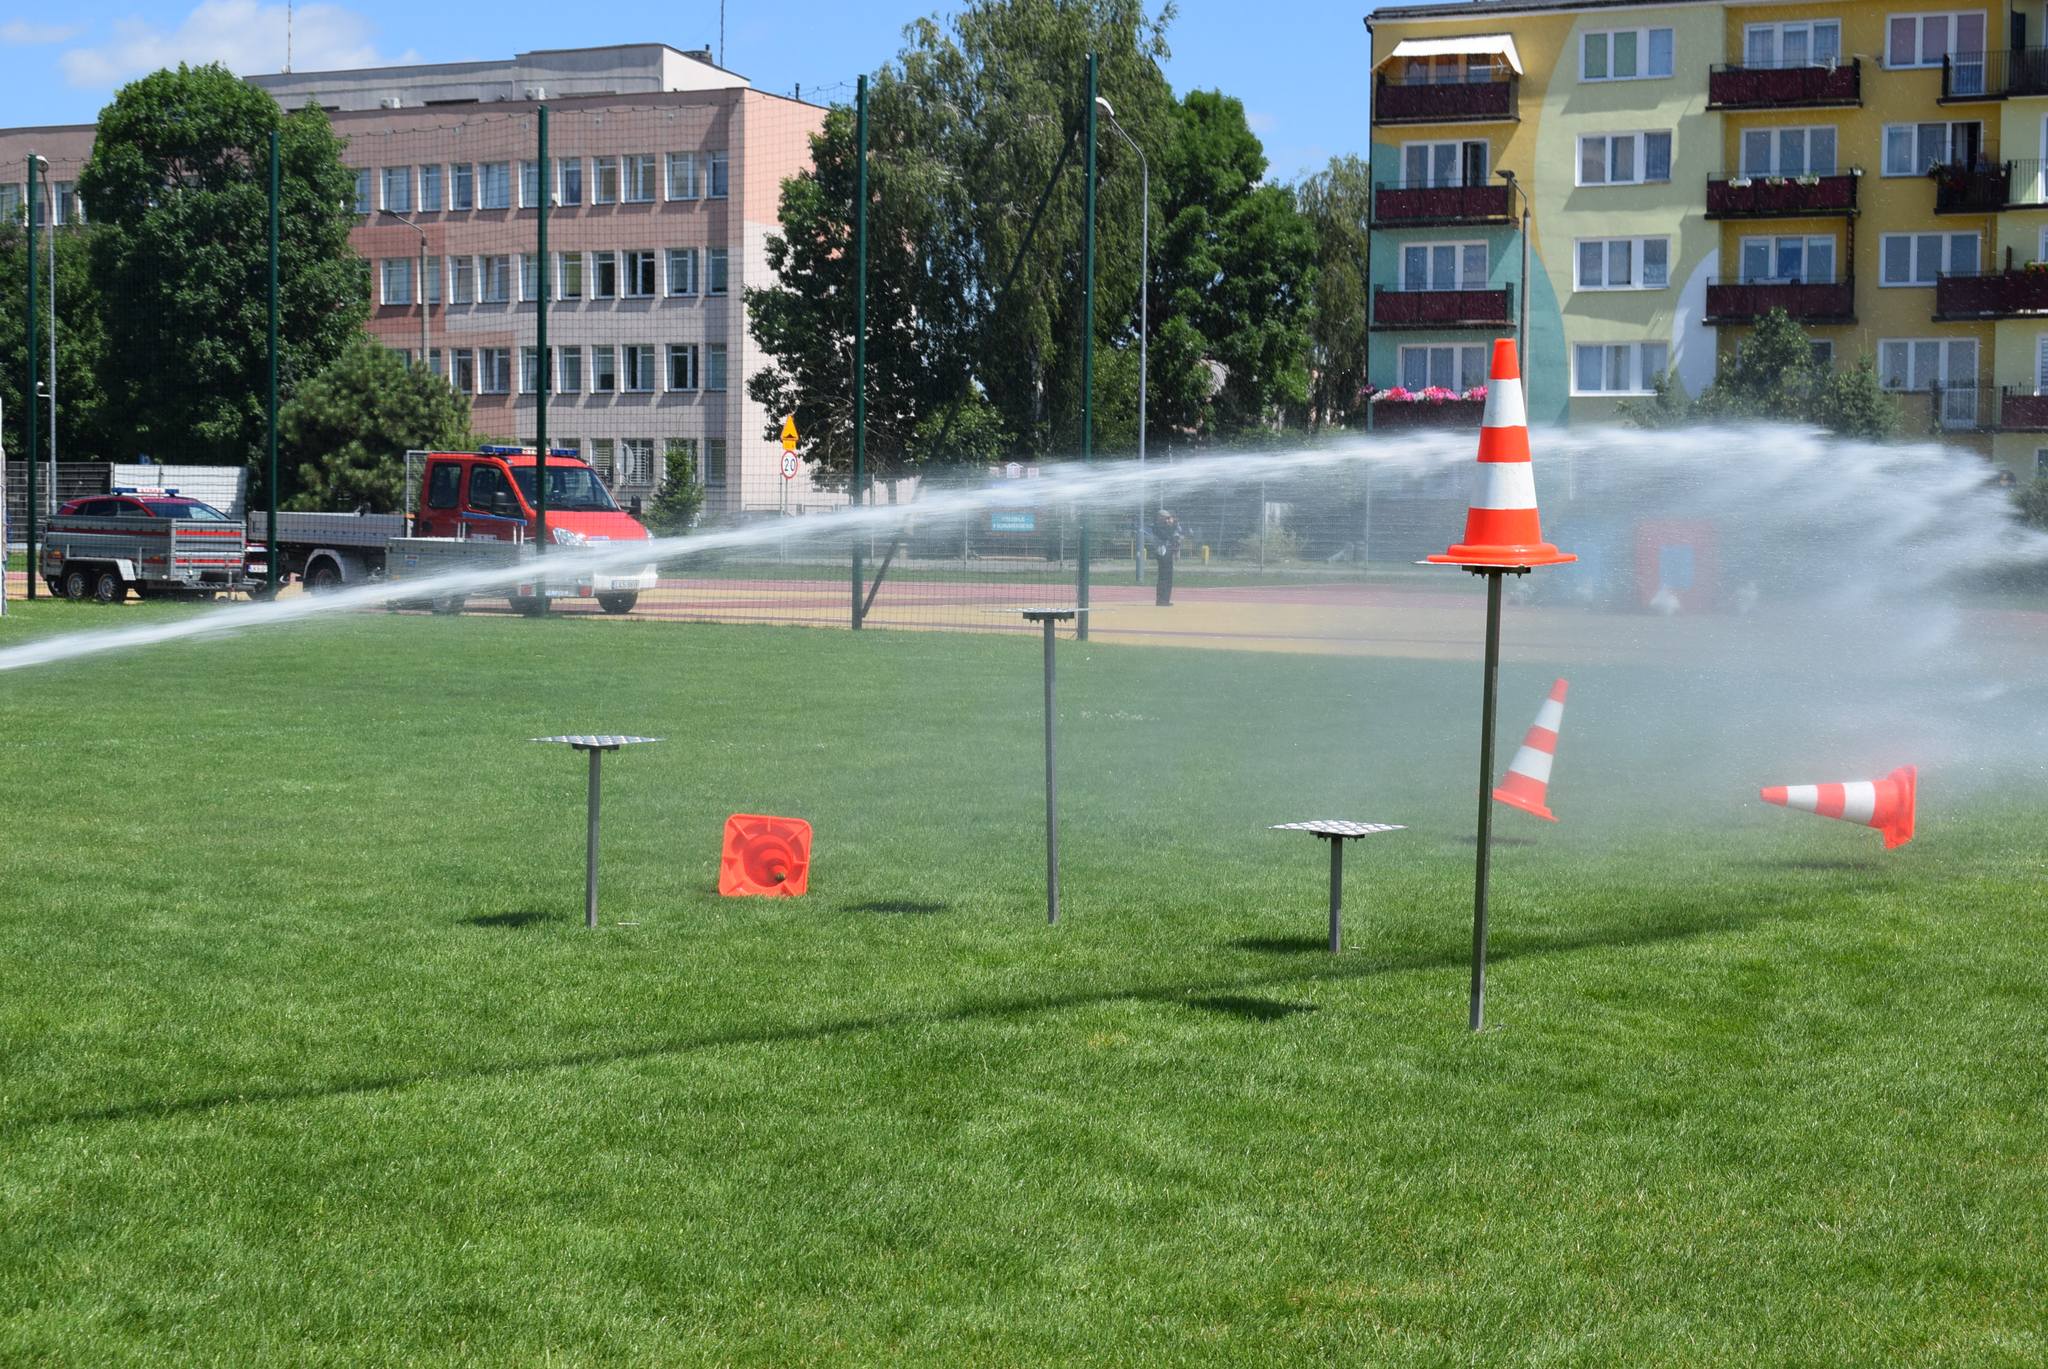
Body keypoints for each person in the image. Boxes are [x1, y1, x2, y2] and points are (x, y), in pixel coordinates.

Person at [1149, 509, 1183, 606]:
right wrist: (1173, 526)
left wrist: (1174, 525)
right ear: (1160, 517)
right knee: (1163, 576)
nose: (1168, 520)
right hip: (1162, 552)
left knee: (1168, 576)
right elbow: (1166, 536)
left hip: (1168, 552)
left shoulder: (1166, 526)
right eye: (1166, 518)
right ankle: (1161, 600)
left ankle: (1166, 599)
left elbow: (1175, 537)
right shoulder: (1156, 527)